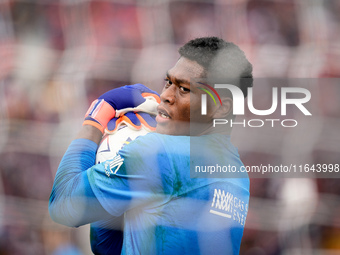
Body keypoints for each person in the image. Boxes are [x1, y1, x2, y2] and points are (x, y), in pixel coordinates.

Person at [49, 37, 253, 255]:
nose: (165, 96)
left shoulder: (160, 152)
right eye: (168, 82)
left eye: (184, 89)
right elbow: (108, 248)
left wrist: (96, 117)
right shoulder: (238, 175)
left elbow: (63, 206)